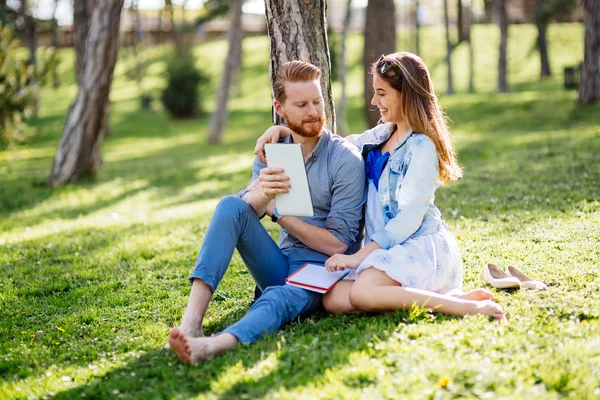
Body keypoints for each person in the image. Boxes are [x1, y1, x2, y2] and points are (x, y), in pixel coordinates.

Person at [255, 52, 504, 320]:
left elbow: (407, 221)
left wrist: (359, 257)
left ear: (405, 95)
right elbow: (333, 145)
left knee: (362, 293)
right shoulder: (380, 134)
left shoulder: (422, 148)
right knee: (332, 299)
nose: (374, 102)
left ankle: (468, 308)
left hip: (417, 246)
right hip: (387, 252)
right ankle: (440, 299)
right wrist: (283, 132)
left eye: (381, 93)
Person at [168, 61, 366, 363]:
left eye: (317, 101)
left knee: (277, 298)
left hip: (324, 272)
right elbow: (242, 215)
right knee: (230, 205)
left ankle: (213, 346)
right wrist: (260, 192)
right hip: (280, 262)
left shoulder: (344, 161)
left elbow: (338, 245)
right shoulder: (273, 150)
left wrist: (278, 212)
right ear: (280, 107)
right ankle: (191, 323)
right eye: (301, 104)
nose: (313, 111)